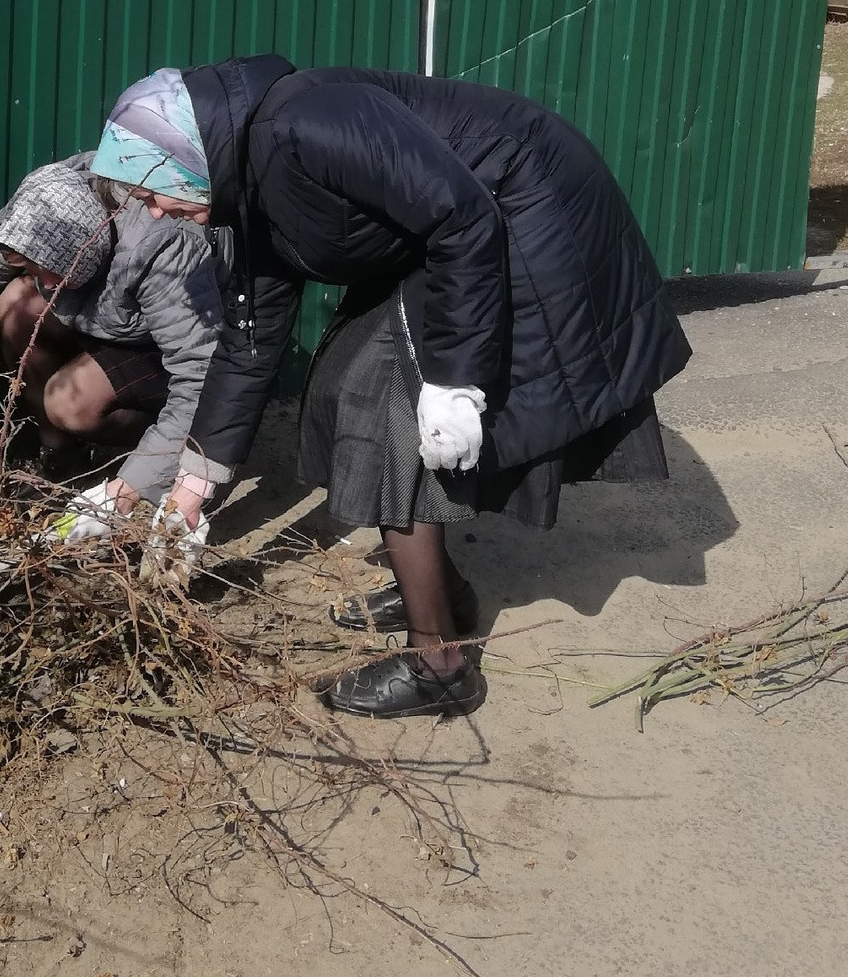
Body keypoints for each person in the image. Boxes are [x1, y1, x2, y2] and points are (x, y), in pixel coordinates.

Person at [89, 59, 692, 719]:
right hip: (453, 233)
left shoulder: (304, 127)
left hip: (521, 206)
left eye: (153, 193)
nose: (155, 212)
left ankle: (439, 666)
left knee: (378, 410)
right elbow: (248, 345)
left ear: (186, 156)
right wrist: (190, 493)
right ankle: (439, 594)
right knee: (341, 390)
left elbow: (462, 217)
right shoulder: (241, 195)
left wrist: (455, 381)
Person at [0, 158, 224, 546]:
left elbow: (200, 375)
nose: (43, 281)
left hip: (169, 349)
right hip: (105, 319)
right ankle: (63, 462)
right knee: (18, 303)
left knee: (70, 404)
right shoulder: (43, 205)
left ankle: (153, 457)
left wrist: (124, 493)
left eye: (53, 272)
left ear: (87, 254)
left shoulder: (162, 244)